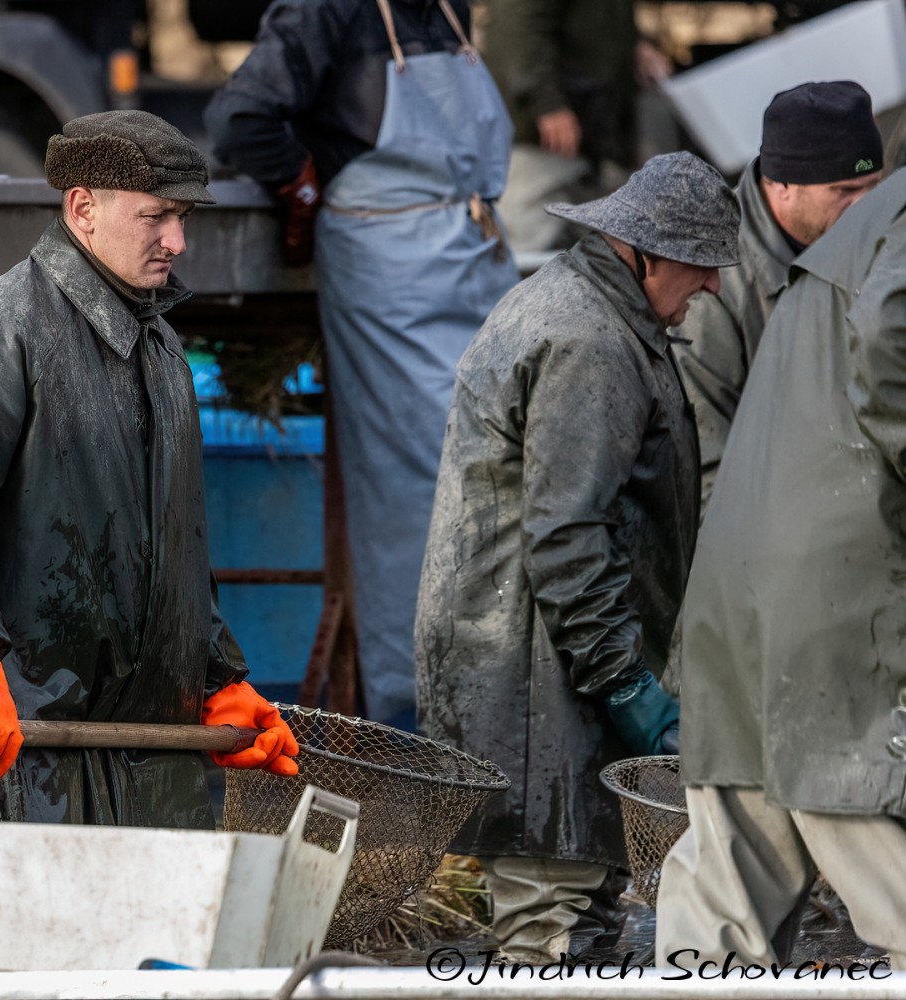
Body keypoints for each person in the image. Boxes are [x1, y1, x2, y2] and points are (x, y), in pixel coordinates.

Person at [0, 110, 298, 828]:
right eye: (156, 217)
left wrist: (217, 676)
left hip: (157, 758)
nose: (177, 242)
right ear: (82, 207)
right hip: (29, 754)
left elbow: (177, 544)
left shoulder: (162, 348)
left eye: (183, 218)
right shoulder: (0, 334)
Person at [416, 152, 740, 963]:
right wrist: (624, 680)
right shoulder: (589, 340)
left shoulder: (588, 308)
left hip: (544, 671)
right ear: (646, 255)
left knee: (578, 919)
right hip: (538, 685)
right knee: (550, 930)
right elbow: (566, 535)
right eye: (701, 264)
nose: (713, 286)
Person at [204, 0, 519, 731]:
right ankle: (422, 720)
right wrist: (301, 186)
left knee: (508, 466)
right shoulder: (329, 8)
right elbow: (241, 118)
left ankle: (504, 708)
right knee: (428, 486)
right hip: (391, 269)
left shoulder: (445, 7)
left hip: (475, 254)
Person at [656, 169, 906, 970]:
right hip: (832, 595)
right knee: (857, 797)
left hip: (740, 585)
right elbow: (890, 334)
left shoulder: (859, 232)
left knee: (727, 875)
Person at [676, 81, 881, 509]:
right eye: (844, 191)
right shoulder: (709, 287)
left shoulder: (885, 237)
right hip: (774, 517)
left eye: (873, 186)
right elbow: (705, 470)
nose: (866, 207)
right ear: (781, 184)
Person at [479, 0, 670, 253]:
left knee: (593, 248)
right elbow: (517, 26)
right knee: (529, 242)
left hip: (592, 132)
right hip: (540, 137)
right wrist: (546, 103)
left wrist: (635, 45)